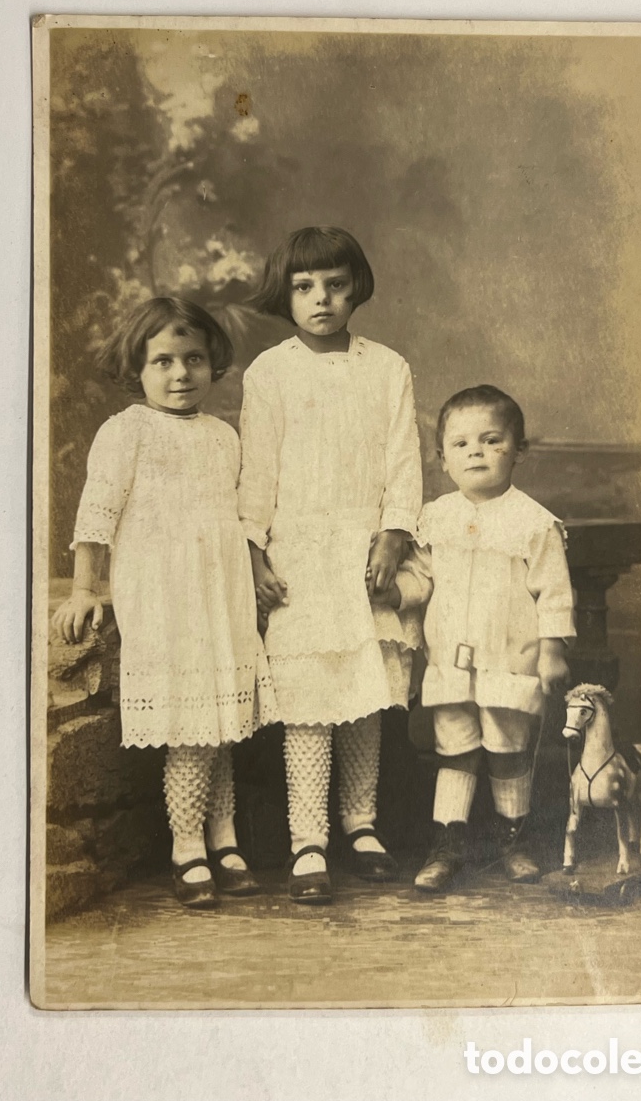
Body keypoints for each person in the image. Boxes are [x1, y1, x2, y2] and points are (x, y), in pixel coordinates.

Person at [52, 297, 277, 910]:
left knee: (221, 722)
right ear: (137, 368)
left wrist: (254, 578)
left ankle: (225, 838)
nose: (181, 374)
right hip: (164, 597)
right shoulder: (125, 431)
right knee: (190, 728)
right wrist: (82, 590)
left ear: (213, 364)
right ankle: (187, 845)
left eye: (194, 359)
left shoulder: (224, 435)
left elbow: (241, 515)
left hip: (219, 594)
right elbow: (95, 517)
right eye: (164, 362)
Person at [238, 227, 422, 904]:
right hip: (299, 553)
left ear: (357, 288)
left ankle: (360, 824)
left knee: (364, 696)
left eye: (336, 285)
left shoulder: (387, 368)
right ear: (286, 293)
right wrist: (255, 552)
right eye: (306, 286)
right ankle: (308, 838)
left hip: (364, 549)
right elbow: (256, 470)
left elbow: (404, 459)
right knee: (310, 702)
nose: (322, 299)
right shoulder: (270, 372)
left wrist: (393, 536)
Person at [382, 385, 575, 891]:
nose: (477, 452)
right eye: (462, 444)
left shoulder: (533, 523)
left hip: (510, 661)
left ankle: (515, 839)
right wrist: (393, 594)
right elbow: (421, 577)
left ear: (518, 450)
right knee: (456, 750)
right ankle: (448, 845)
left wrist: (553, 651)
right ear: (443, 458)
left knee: (507, 749)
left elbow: (554, 592)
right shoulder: (435, 517)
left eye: (492, 441)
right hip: (450, 663)